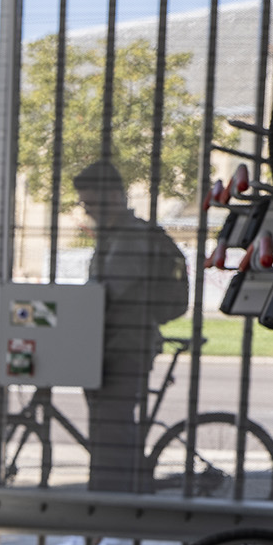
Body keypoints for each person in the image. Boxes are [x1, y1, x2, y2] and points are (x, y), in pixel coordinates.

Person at [75, 161, 190, 492]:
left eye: (91, 202)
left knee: (111, 434)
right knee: (110, 432)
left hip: (124, 350)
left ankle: (107, 519)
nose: (87, 210)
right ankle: (112, 510)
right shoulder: (114, 235)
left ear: (113, 195)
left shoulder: (129, 237)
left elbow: (106, 294)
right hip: (113, 347)